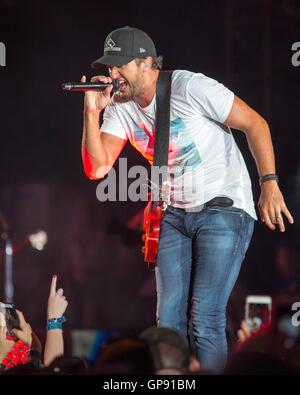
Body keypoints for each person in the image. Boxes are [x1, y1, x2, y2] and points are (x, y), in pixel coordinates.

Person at [81, 26, 294, 372]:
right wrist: (91, 112)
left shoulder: (190, 87)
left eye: (120, 65)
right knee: (166, 325)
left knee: (204, 315)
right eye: (109, 67)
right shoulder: (119, 106)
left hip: (223, 207)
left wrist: (269, 184)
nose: (113, 74)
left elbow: (256, 124)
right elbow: (97, 168)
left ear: (146, 63)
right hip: (173, 213)